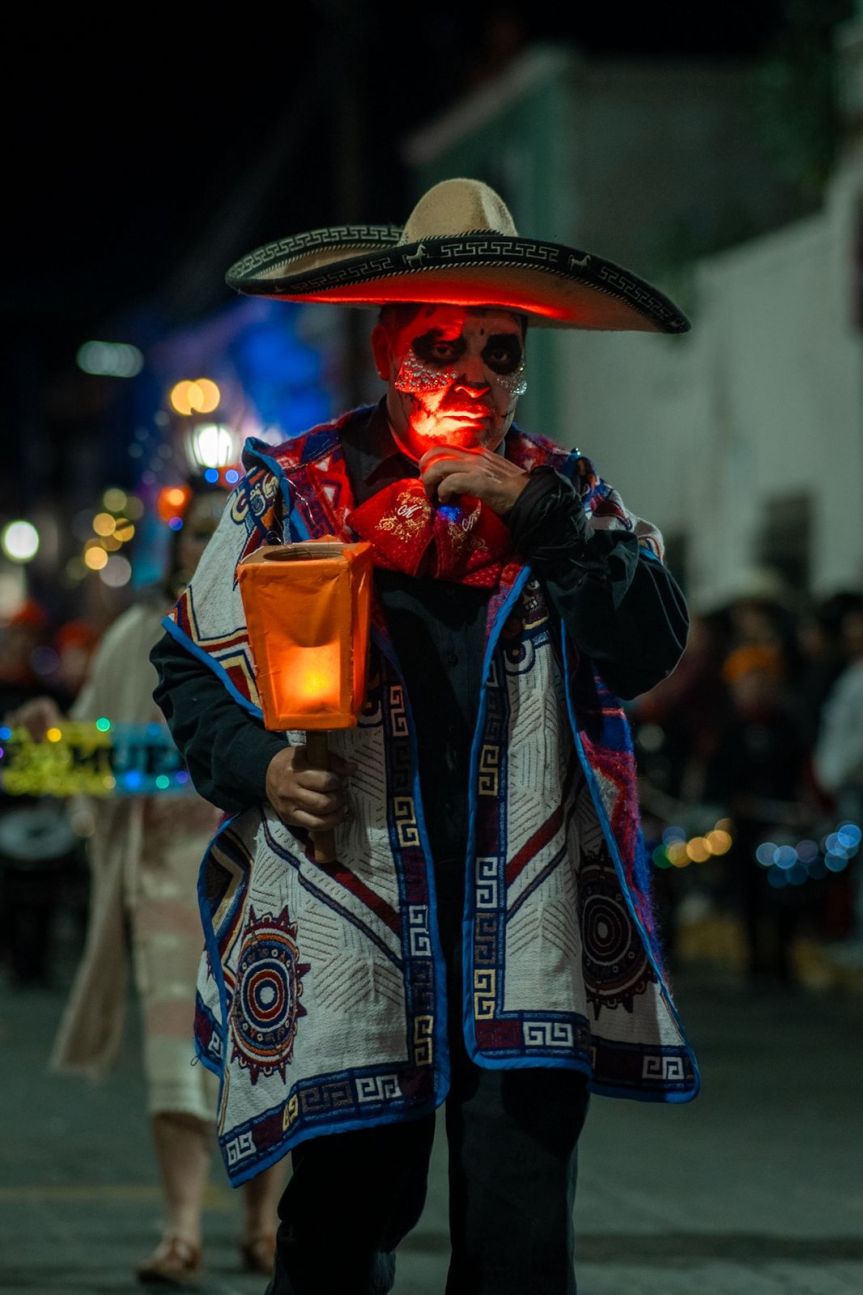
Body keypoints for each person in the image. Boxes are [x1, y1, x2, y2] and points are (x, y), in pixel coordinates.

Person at [150, 179, 700, 1295]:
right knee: (338, 1235)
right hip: (355, 918)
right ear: (390, 343)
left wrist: (537, 515)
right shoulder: (295, 494)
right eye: (438, 343)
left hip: (528, 929)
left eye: (498, 351)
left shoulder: (568, 495)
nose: (470, 378)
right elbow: (188, 662)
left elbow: (645, 645)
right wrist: (258, 765)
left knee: (517, 1244)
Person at [11, 480, 284, 1287]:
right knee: (174, 1061)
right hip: (166, 877)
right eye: (197, 532)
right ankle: (181, 1228)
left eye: (224, 531)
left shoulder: (286, 627)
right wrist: (45, 739)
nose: (209, 546)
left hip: (268, 870)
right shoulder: (141, 633)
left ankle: (266, 1223)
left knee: (266, 1051)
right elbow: (92, 751)